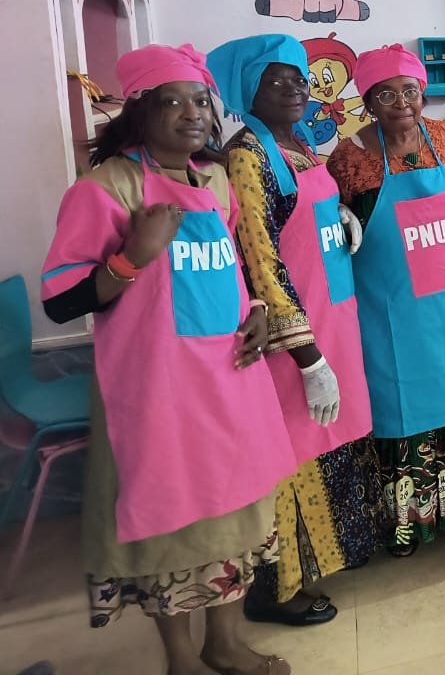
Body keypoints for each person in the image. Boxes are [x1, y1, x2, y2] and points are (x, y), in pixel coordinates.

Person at [40, 44, 295, 675]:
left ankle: (225, 642)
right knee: (172, 525)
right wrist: (133, 256)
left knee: (235, 517)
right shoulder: (107, 188)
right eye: (171, 102)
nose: (191, 115)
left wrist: (256, 314)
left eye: (199, 101)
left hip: (228, 379)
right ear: (139, 112)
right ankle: (181, 659)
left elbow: (228, 270)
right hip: (158, 394)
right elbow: (61, 300)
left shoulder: (211, 179)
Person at [207, 35, 382, 626]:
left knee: (333, 440)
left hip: (336, 313)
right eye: (276, 80)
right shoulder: (247, 153)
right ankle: (275, 589)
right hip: (294, 336)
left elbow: (302, 214)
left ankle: (329, 556)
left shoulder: (299, 144)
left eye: (300, 78)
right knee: (294, 453)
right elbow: (259, 258)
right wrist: (307, 358)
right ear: (246, 90)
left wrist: (342, 216)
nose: (294, 89)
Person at [327, 45, 445, 556]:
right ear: (368, 102)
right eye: (385, 95)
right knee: (402, 413)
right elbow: (333, 227)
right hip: (394, 314)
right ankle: (407, 524)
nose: (401, 103)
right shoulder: (350, 157)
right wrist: (338, 217)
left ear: (423, 92)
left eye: (409, 91)